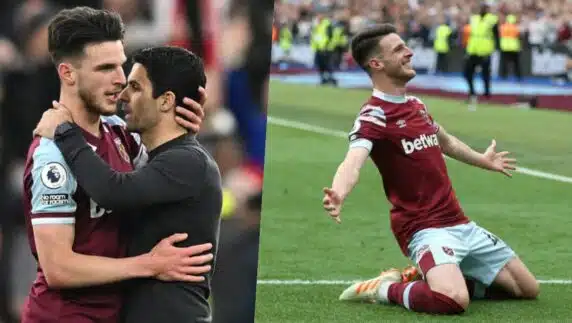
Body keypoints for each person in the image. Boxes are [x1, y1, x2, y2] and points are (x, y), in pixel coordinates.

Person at [322, 24, 539, 315]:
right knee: (452, 300)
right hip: (423, 228)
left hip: (459, 222)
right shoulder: (373, 115)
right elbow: (353, 161)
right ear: (377, 64)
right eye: (399, 49)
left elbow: (445, 141)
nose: (409, 52)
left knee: (526, 289)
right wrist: (339, 191)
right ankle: (383, 287)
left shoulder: (416, 105)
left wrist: (482, 160)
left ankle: (427, 275)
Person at [22, 7, 210, 323]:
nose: (120, 80)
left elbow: (164, 175)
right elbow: (58, 268)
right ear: (68, 73)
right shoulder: (51, 156)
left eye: (121, 65)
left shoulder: (119, 132)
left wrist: (181, 128)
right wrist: (150, 264)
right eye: (105, 68)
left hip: (116, 313)